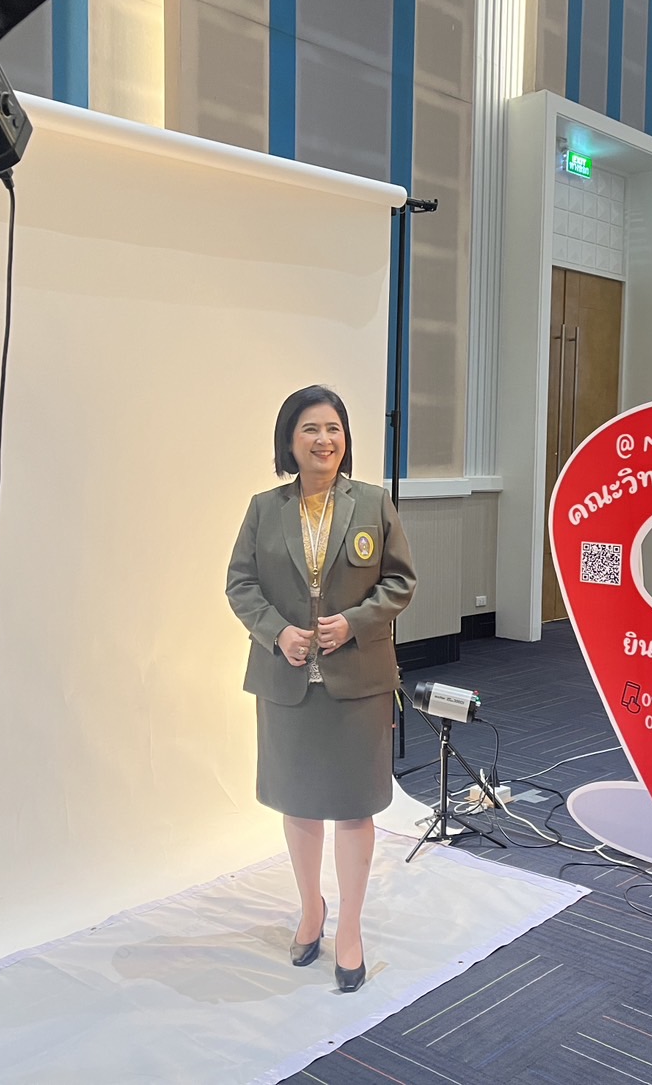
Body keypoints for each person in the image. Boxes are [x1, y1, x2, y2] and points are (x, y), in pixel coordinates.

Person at [226, 385, 416, 993]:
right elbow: (240, 584)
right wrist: (276, 631)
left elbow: (400, 582)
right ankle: (312, 909)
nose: (324, 439)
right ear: (290, 440)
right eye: (310, 428)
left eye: (333, 428)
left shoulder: (374, 504)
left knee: (355, 805)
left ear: (345, 440)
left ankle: (351, 929)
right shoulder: (265, 508)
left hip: (358, 682)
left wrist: (354, 623)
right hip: (287, 683)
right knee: (300, 801)